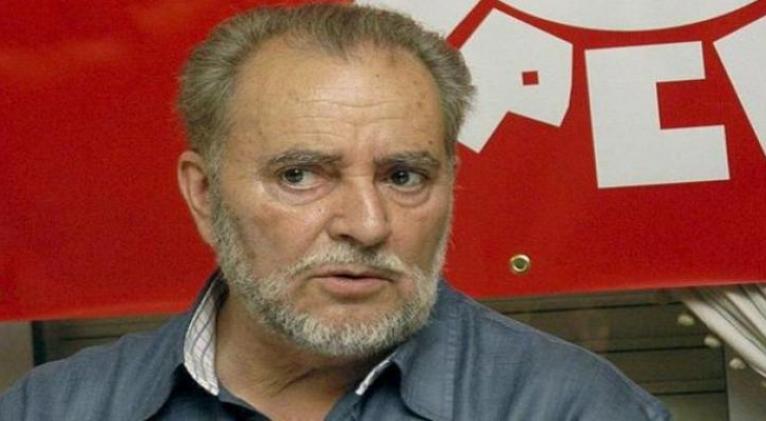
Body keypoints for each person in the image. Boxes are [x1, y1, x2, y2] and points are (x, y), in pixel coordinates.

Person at [0, 3, 669, 420]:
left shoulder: (570, 407)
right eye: (300, 175)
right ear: (204, 194)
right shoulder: (54, 409)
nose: (368, 224)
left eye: (403, 176)